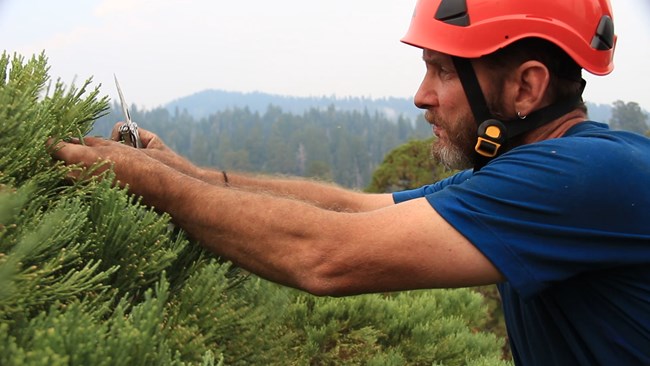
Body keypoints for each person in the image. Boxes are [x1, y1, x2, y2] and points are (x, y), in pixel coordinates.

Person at [50, 0, 650, 364]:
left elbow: (327, 255)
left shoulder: (586, 176)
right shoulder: (533, 171)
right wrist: (191, 173)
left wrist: (151, 185)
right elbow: (355, 208)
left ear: (525, 88)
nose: (422, 96)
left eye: (441, 71)